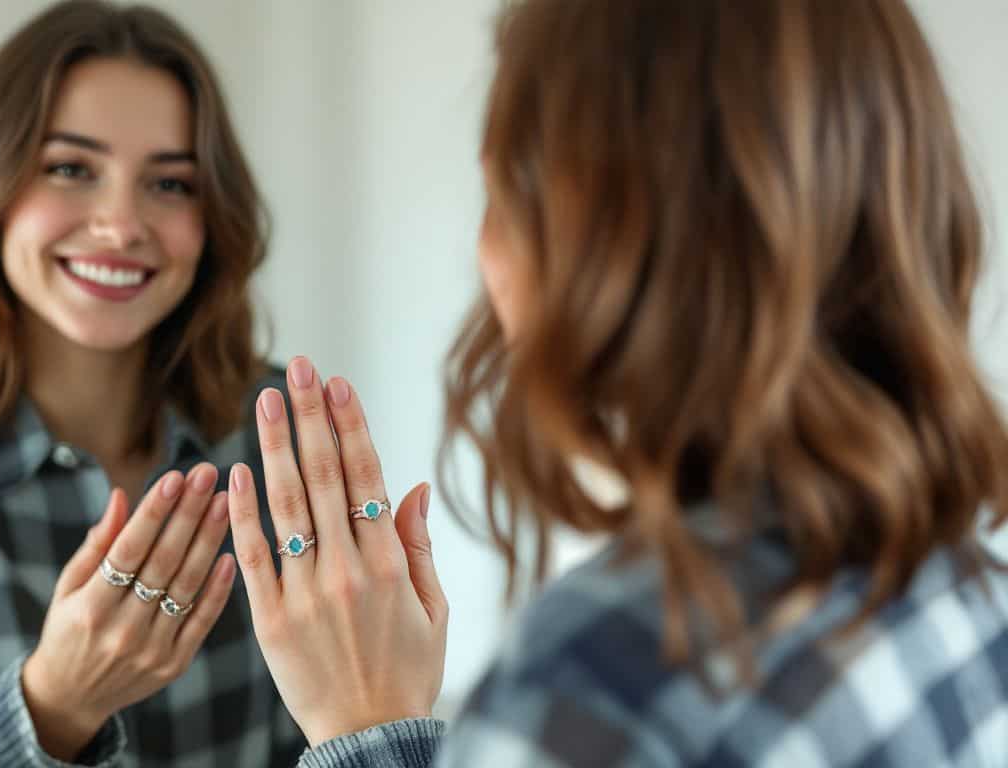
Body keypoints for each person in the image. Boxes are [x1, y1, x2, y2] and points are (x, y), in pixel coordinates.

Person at [225, 1, 1008, 765]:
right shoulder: (974, 589)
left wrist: (369, 732)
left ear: (607, 246)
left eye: (503, 193)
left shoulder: (601, 686)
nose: (483, 252)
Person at [0, 2, 305, 765]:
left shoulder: (278, 430)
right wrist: (56, 703)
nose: (120, 224)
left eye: (171, 184)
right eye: (71, 169)